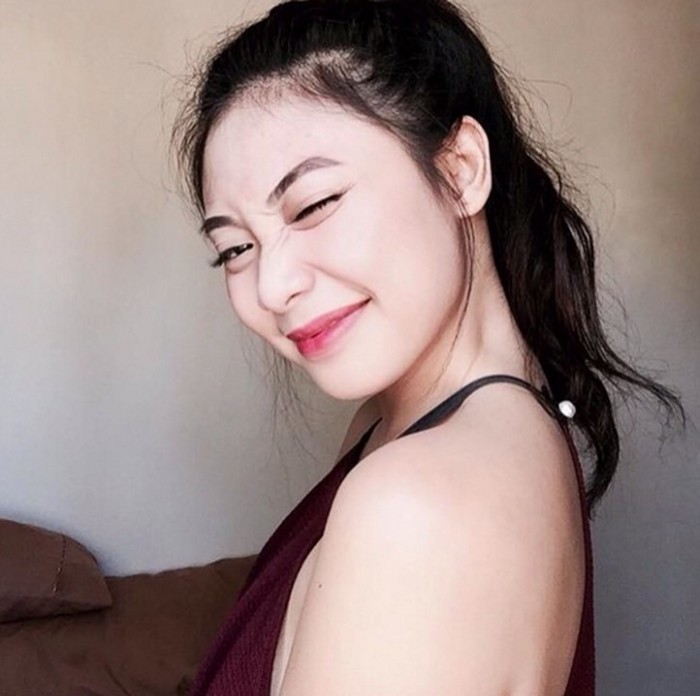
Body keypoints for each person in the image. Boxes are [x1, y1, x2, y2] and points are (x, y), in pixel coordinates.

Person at [172, 1, 683, 694]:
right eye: (235, 248)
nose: (272, 286)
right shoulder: (418, 427)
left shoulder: (417, 507)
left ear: (462, 169)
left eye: (314, 205)